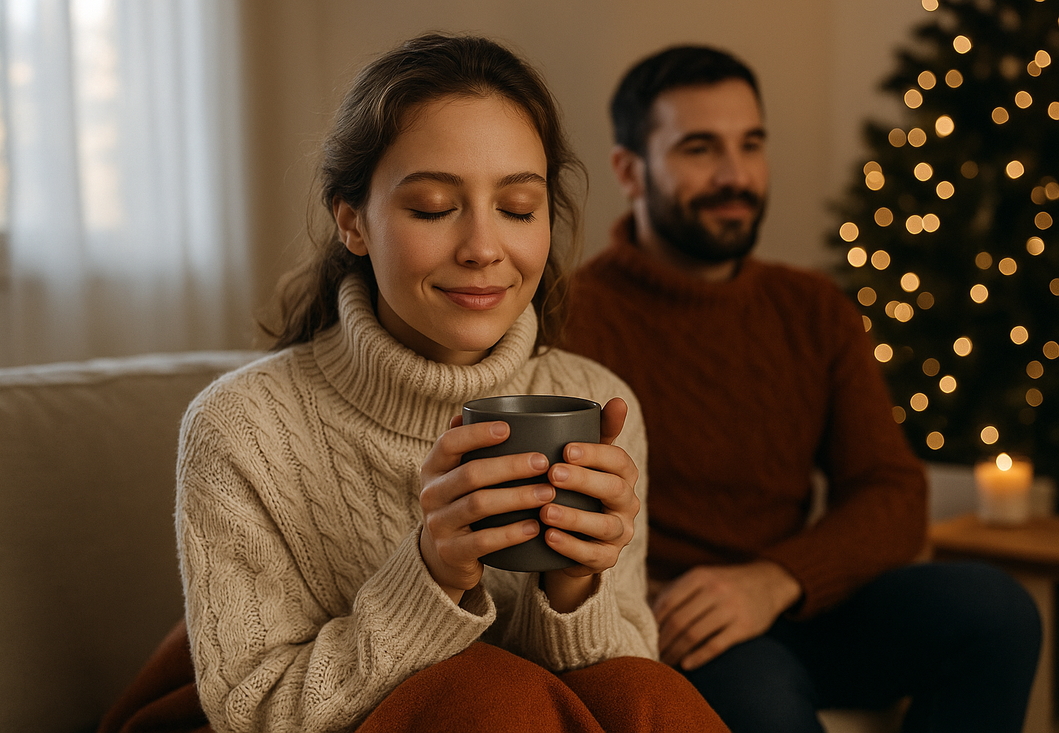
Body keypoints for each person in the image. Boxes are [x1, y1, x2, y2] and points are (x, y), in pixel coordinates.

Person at [99, 33, 729, 733]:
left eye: (518, 208)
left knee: (651, 692)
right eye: (432, 207)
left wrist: (575, 584)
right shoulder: (241, 427)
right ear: (352, 221)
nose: (484, 248)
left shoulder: (597, 403)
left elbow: (620, 686)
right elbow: (254, 711)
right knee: (487, 691)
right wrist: (429, 575)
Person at [560, 44, 1042, 733]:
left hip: (794, 597)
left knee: (996, 609)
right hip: (679, 622)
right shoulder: (575, 317)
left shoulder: (811, 307)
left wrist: (775, 579)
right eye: (700, 148)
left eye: (751, 144)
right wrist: (669, 597)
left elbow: (893, 490)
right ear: (629, 171)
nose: (737, 175)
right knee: (763, 702)